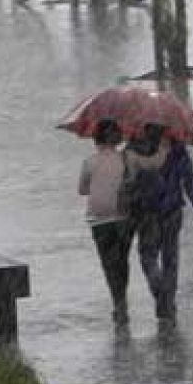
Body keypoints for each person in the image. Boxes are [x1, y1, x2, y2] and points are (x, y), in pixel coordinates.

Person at [125, 123, 193, 322]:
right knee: (170, 259)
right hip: (172, 210)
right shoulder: (177, 149)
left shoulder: (134, 149)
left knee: (148, 256)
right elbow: (188, 178)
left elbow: (127, 182)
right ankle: (167, 300)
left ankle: (160, 291)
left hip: (147, 212)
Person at [79, 119, 133, 324]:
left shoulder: (89, 162)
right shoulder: (125, 159)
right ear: (118, 138)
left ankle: (118, 303)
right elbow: (132, 183)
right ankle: (122, 300)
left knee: (108, 263)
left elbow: (82, 190)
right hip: (123, 217)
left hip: (99, 220)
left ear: (96, 139)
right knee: (122, 261)